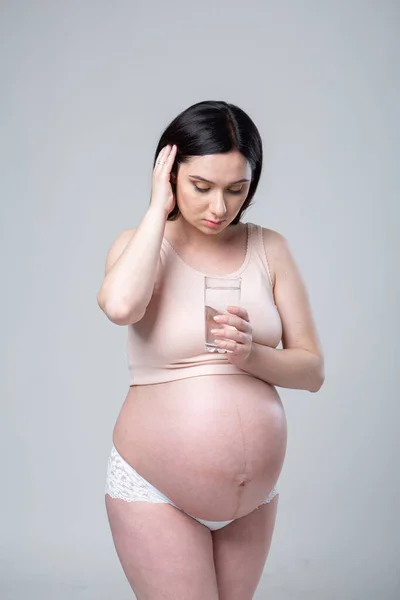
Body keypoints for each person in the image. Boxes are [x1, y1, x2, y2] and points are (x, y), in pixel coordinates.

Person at [97, 100, 324, 599]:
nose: (218, 208)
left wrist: (252, 356)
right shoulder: (139, 244)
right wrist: (158, 209)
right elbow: (119, 306)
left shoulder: (271, 248)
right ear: (170, 173)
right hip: (157, 490)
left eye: (236, 190)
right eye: (201, 187)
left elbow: (311, 371)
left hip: (252, 500)